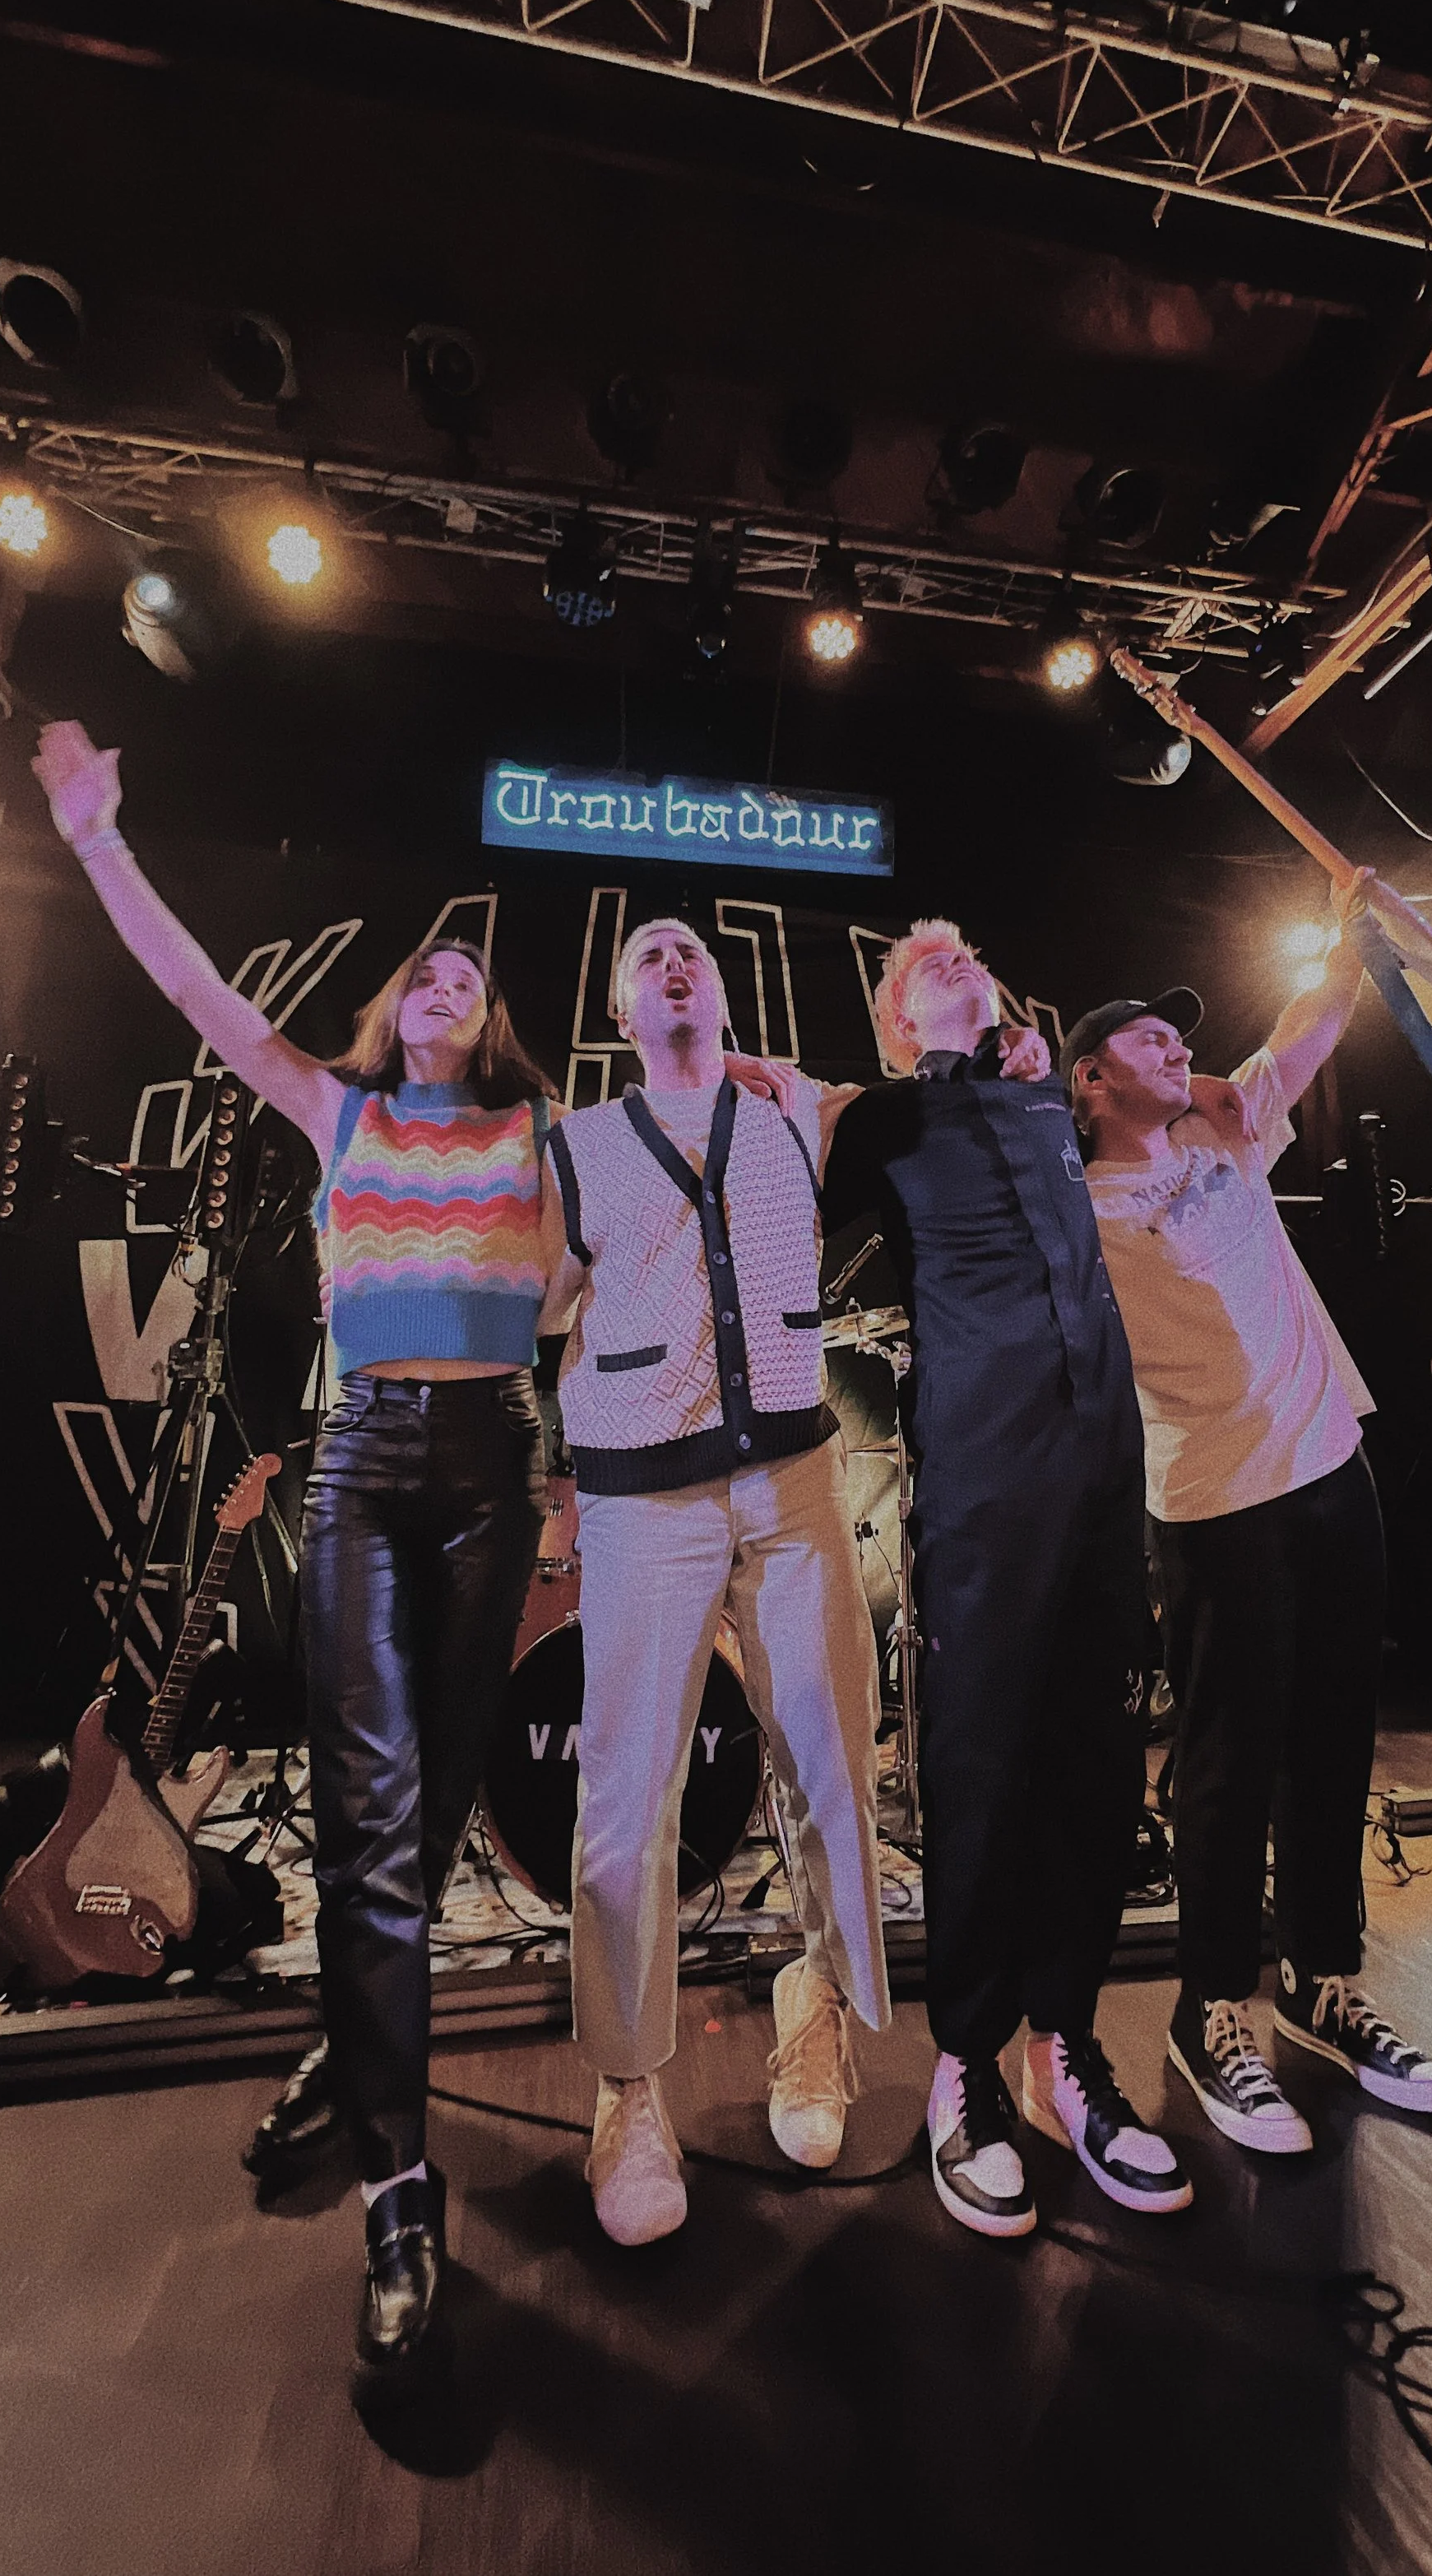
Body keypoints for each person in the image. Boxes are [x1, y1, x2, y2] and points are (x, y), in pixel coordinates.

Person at [32, 717, 565, 2366]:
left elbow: (605, 1267)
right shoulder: (337, 1110)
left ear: (490, 1023)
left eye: (470, 978)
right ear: (392, 1007)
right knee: (368, 1811)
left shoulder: (534, 1135)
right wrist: (99, 837)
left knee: (440, 1790)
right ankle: (400, 2190)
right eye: (426, 973)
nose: (446, 983)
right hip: (367, 1459)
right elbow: (195, 990)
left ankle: (358, 2031)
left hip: (498, 1463)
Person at [819, 923, 1225, 2237]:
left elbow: (1197, 1107)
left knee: (1098, 1764)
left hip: (1103, 1468)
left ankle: (1068, 2048)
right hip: (985, 1475)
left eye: (968, 953)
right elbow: (767, 1192)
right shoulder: (883, 1121)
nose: (957, 960)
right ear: (897, 1019)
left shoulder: (1052, 1099)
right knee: (982, 1767)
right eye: (924, 962)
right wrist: (789, 1091)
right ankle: (967, 2066)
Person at [1062, 869, 1432, 2158]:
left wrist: (1353, 926)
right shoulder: (1074, 1207)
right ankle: (1209, 2008)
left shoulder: (1226, 1135)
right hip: (1213, 1500)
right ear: (1089, 1082)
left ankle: (1319, 1980)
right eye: (1143, 1038)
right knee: (1227, 1763)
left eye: (1175, 1035)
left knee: (1334, 1737)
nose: (1172, 1046)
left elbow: (1310, 1022)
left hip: (1331, 1463)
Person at [542, 917, 892, 2246]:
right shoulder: (578, 1146)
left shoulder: (796, 1109)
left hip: (795, 1481)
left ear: (727, 993)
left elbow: (911, 1096)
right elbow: (533, 1301)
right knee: (628, 1795)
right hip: (644, 1497)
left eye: (692, 950)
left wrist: (795, 1078)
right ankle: (629, 2088)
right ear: (621, 1012)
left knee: (835, 1760)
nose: (675, 964)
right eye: (649, 958)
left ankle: (819, 2009)